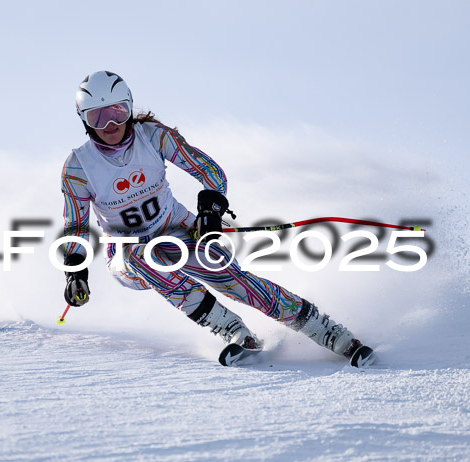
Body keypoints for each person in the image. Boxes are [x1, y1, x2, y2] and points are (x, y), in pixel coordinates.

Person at [60, 70, 374, 367]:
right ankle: (233, 330)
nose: (109, 124)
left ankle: (331, 333)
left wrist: (210, 210)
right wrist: (75, 272)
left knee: (231, 278)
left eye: (117, 111)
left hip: (177, 230)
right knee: (145, 257)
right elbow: (75, 224)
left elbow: (209, 171)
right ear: (84, 121)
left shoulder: (153, 137)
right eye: (97, 116)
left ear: (129, 108)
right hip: (127, 253)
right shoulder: (78, 167)